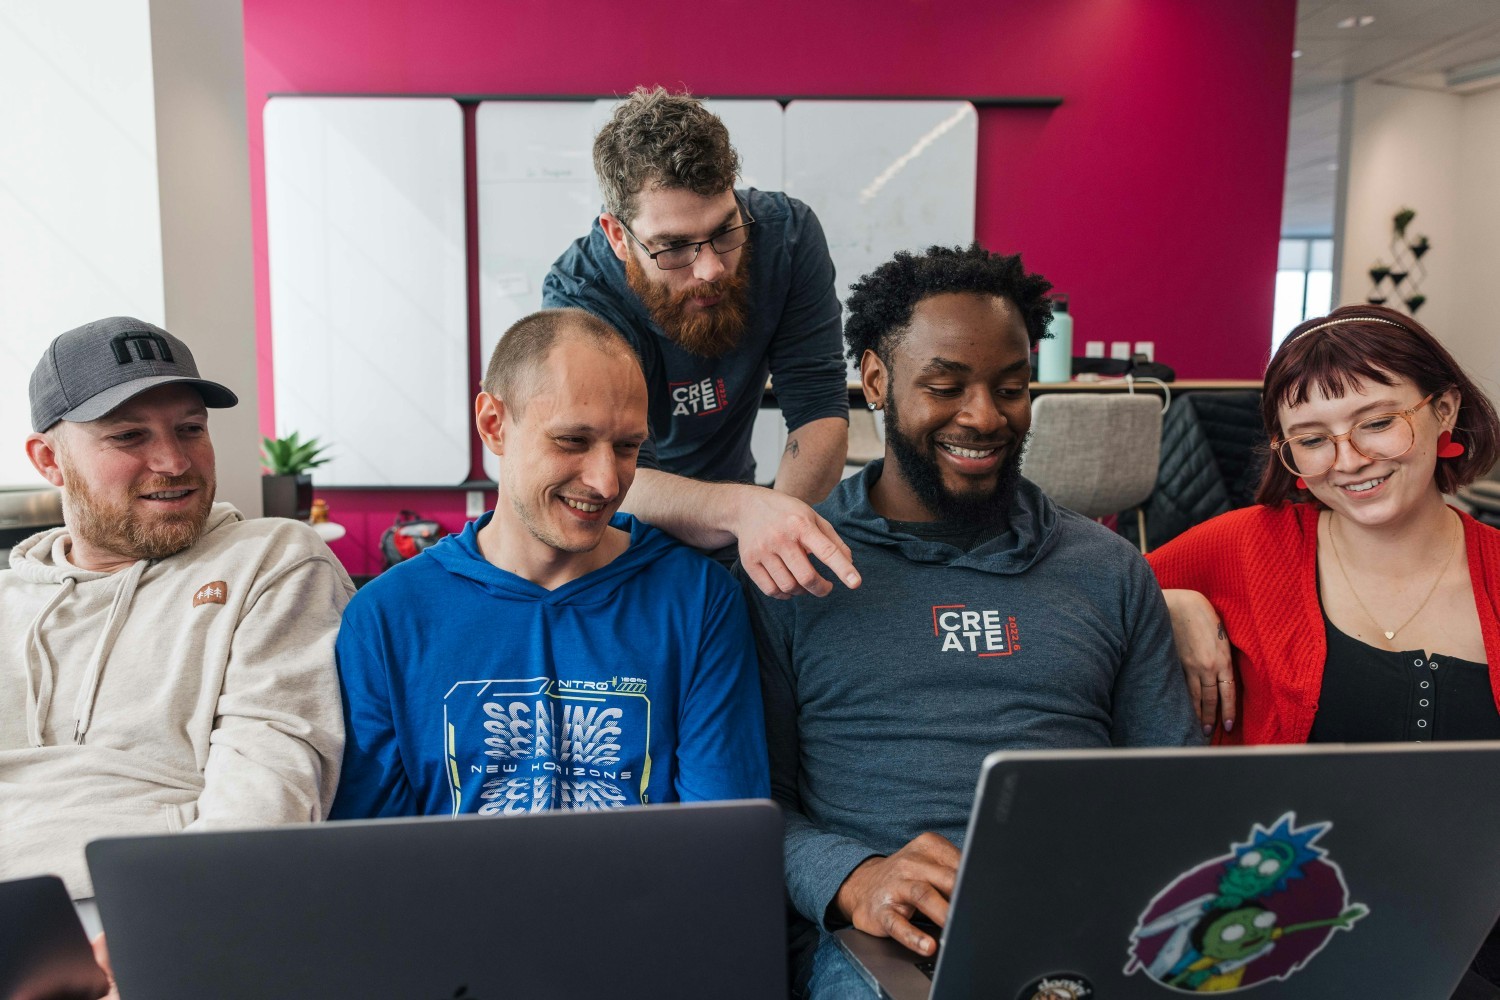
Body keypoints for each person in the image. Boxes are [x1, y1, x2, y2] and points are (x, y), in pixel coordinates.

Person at [741, 246, 1201, 998]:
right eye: (946, 386)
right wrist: (857, 879)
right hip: (889, 941)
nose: (984, 417)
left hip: (1088, 926)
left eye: (1011, 388)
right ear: (877, 381)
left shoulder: (1110, 570)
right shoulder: (794, 571)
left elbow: (1175, 792)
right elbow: (756, 806)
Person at [1148, 305, 1500, 993]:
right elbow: (1071, 600)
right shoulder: (1240, 548)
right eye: (1311, 439)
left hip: (1479, 943)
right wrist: (1171, 602)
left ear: (1445, 410)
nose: (1348, 460)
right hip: (1285, 944)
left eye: (1377, 422)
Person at [332, 308, 769, 819]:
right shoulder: (385, 620)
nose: (607, 484)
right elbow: (376, 863)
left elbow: (720, 845)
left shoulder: (699, 602)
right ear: (494, 425)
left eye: (628, 447)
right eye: (572, 442)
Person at [0, 316, 351, 925]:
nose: (173, 461)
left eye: (191, 429)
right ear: (48, 459)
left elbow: (270, 789)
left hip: (159, 911)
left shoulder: (271, 559)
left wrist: (172, 935)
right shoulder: (11, 602)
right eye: (129, 436)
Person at [542, 86, 860, 601]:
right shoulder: (581, 293)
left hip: (738, 528)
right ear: (618, 236)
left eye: (724, 230)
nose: (710, 268)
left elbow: (819, 409)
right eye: (673, 247)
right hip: (617, 536)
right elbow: (600, 472)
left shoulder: (787, 238)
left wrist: (780, 535)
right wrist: (746, 509)